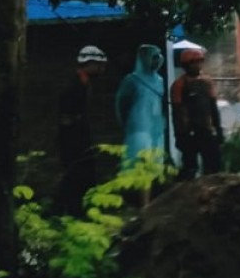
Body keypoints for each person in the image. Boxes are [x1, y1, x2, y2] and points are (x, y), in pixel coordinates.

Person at [57, 45, 107, 216]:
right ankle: (67, 210)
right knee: (75, 173)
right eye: (99, 65)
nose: (101, 69)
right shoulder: (74, 84)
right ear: (90, 64)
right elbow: (66, 113)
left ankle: (78, 210)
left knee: (84, 173)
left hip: (80, 135)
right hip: (72, 138)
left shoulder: (84, 84)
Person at [170, 48, 224, 180]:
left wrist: (219, 130)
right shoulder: (179, 85)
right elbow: (177, 112)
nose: (197, 65)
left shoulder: (207, 82)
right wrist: (179, 136)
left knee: (214, 166)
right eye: (193, 62)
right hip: (189, 132)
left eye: (200, 61)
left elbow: (213, 108)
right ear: (185, 65)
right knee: (189, 168)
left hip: (206, 130)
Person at [115, 44, 166, 169]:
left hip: (156, 128)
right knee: (137, 161)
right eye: (154, 57)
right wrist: (126, 124)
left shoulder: (160, 80)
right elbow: (121, 105)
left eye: (158, 57)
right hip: (138, 128)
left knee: (155, 162)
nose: (157, 60)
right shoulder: (132, 80)